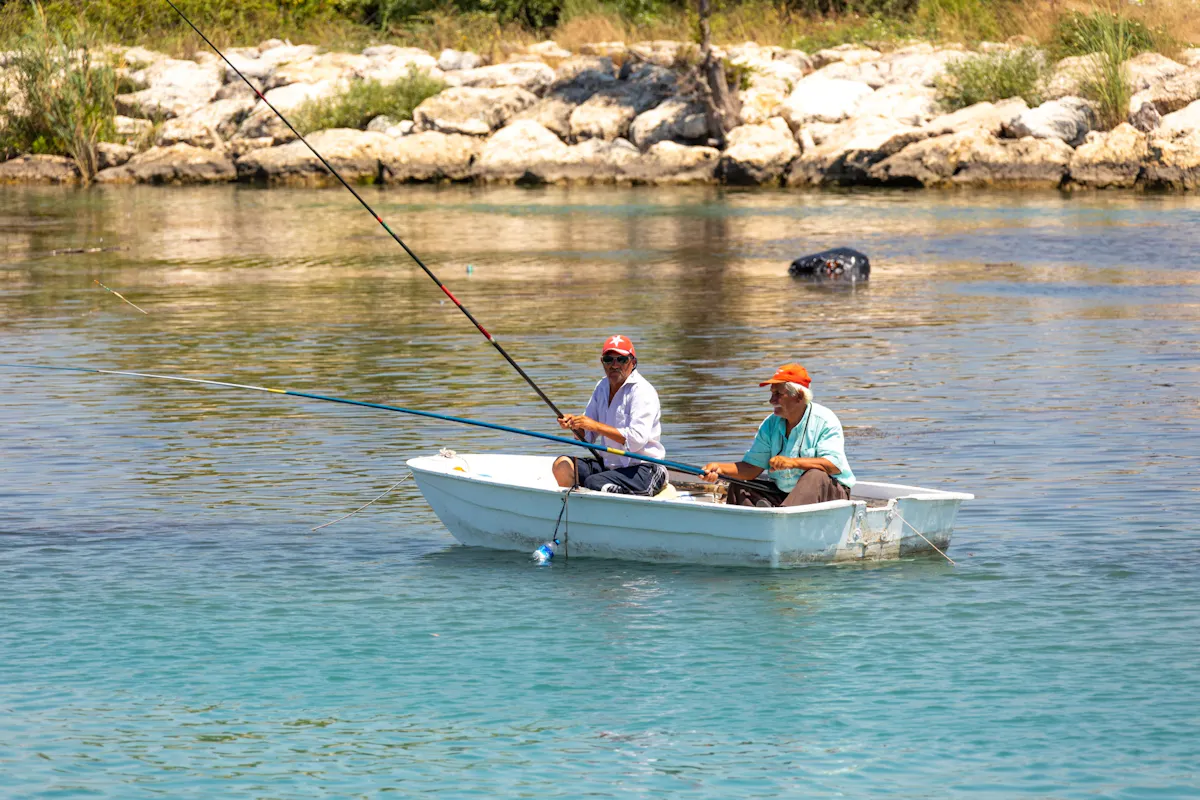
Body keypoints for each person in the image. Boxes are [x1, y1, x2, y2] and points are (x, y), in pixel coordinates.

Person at [701, 363, 855, 507]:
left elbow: (833, 466)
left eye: (778, 394)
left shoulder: (825, 420)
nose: (771, 400)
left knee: (815, 475)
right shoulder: (770, 424)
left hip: (831, 496)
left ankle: (781, 520)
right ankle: (759, 525)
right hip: (787, 495)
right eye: (771, 393)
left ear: (799, 396)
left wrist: (793, 462)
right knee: (739, 484)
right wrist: (720, 469)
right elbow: (752, 468)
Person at [553, 334, 668, 496]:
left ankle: (614, 500)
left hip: (645, 469)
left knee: (594, 482)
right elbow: (588, 438)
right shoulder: (601, 386)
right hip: (610, 467)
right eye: (608, 360)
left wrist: (594, 425)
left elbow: (636, 441)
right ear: (602, 362)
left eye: (621, 360)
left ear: (633, 362)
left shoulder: (643, 391)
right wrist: (575, 426)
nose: (614, 365)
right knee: (562, 465)